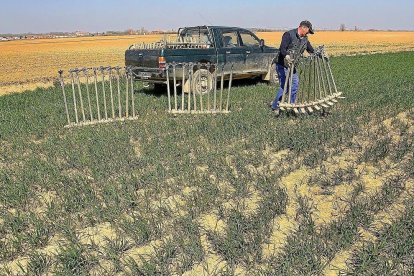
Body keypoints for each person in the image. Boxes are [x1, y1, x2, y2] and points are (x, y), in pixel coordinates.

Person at [271, 20, 315, 114]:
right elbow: (282, 48)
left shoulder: (304, 39)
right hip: (282, 64)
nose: (308, 33)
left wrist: (317, 53)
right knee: (285, 86)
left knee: (295, 83)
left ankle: (291, 105)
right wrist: (286, 55)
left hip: (292, 65)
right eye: (308, 31)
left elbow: (310, 49)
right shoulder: (288, 34)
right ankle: (275, 106)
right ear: (303, 28)